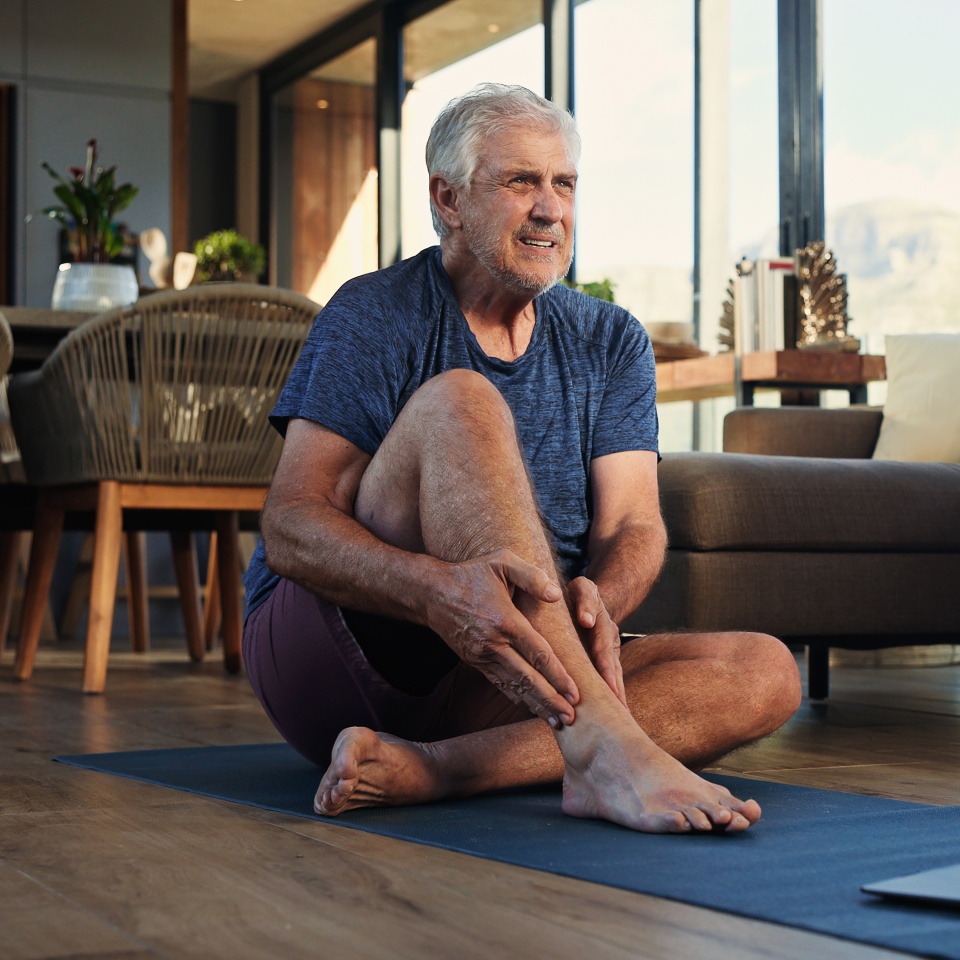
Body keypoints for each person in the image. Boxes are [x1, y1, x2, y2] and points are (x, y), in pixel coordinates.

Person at [242, 83, 801, 834]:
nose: (550, 208)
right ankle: (603, 749)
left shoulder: (611, 340)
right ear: (448, 198)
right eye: (520, 182)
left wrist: (601, 595)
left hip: (516, 667)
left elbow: (635, 524)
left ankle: (443, 769)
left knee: (765, 672)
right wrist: (436, 590)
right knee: (462, 402)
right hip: (346, 653)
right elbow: (290, 525)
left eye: (563, 183)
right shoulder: (375, 311)